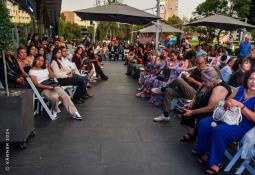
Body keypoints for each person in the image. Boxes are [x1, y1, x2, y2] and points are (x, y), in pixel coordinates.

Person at [194, 68, 255, 174]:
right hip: (227, 116)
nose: (254, 82)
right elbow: (226, 101)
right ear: (247, 79)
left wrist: (241, 106)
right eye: (251, 78)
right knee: (204, 123)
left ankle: (216, 162)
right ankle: (206, 150)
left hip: (243, 124)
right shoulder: (240, 89)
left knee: (219, 131)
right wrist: (228, 103)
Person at [180, 67, 231, 142]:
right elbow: (197, 94)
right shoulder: (209, 83)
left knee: (199, 117)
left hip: (214, 112)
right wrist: (192, 102)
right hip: (205, 105)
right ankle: (191, 134)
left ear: (213, 79)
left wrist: (192, 112)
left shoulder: (220, 88)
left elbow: (210, 108)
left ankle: (201, 140)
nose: (203, 83)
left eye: (205, 81)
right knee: (187, 109)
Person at [153, 51, 208, 122]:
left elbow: (205, 86)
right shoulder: (197, 68)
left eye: (199, 57)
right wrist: (186, 78)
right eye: (197, 57)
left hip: (195, 93)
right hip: (187, 89)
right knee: (169, 91)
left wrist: (193, 81)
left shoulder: (207, 70)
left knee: (178, 80)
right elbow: (189, 78)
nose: (197, 58)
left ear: (204, 58)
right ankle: (165, 115)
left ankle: (162, 89)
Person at [29, 54, 82, 120]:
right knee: (55, 97)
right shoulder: (32, 71)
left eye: (42, 61)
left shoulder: (44, 69)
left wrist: (48, 68)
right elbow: (36, 84)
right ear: (35, 60)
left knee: (65, 95)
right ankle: (55, 110)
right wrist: (48, 87)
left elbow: (52, 77)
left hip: (51, 84)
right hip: (42, 88)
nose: (40, 62)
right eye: (38, 60)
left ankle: (74, 112)